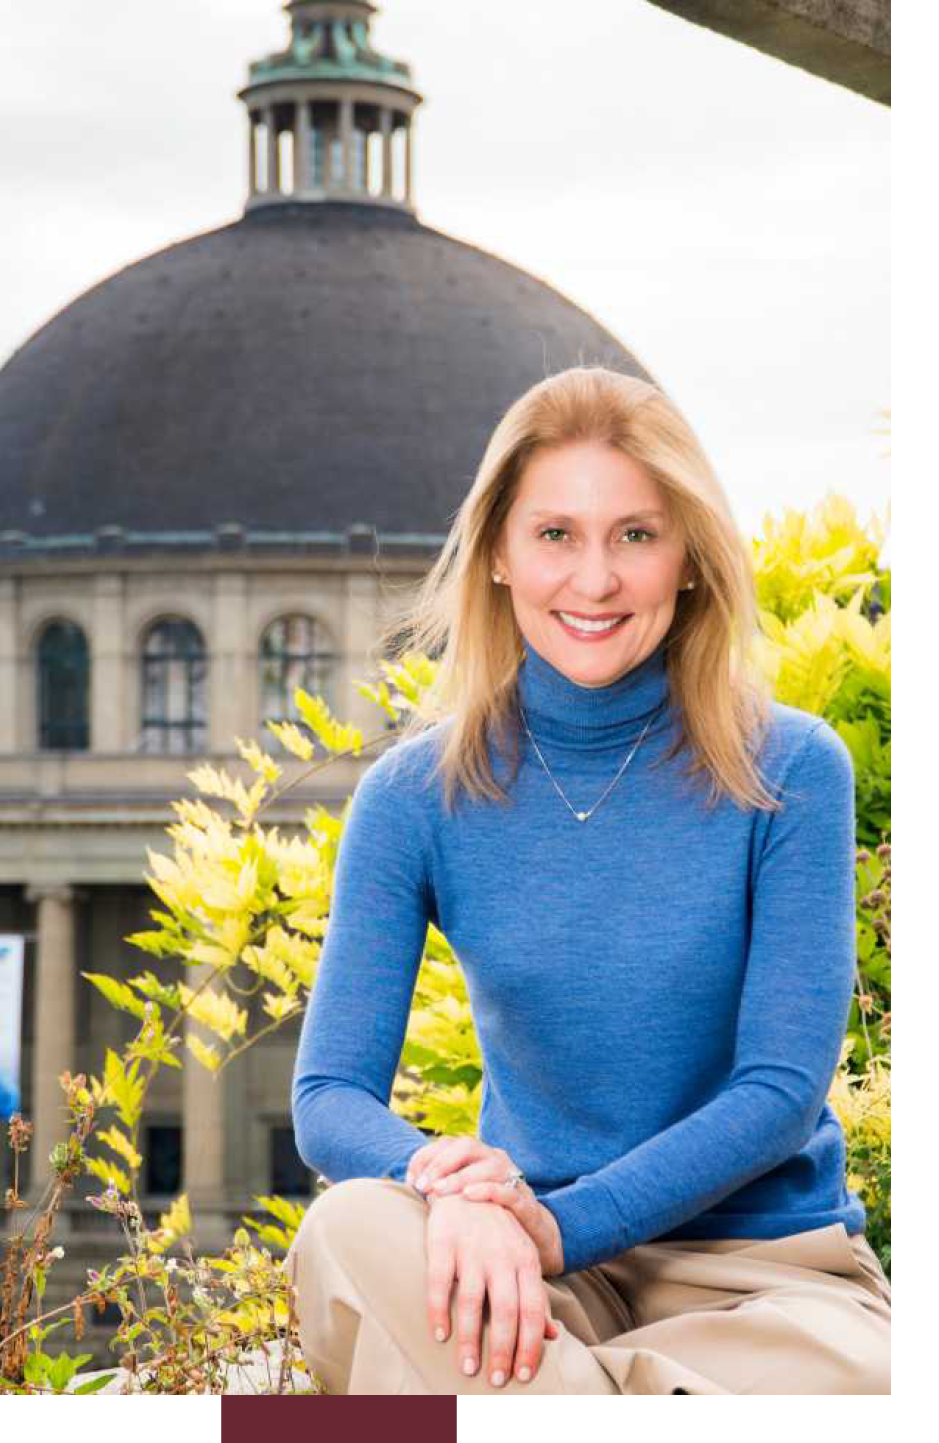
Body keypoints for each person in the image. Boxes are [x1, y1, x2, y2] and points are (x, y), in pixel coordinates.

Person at [284, 367, 890, 1396]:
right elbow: (329, 1096)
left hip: (764, 1278)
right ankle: (621, 1392)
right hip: (523, 1276)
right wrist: (454, 1191)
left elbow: (781, 1092)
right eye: (556, 534)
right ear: (499, 556)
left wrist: (564, 1224)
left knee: (865, 1379)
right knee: (348, 1227)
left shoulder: (790, 767)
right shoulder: (413, 796)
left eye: (636, 535)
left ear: (690, 557)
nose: (595, 579)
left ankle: (569, 1395)